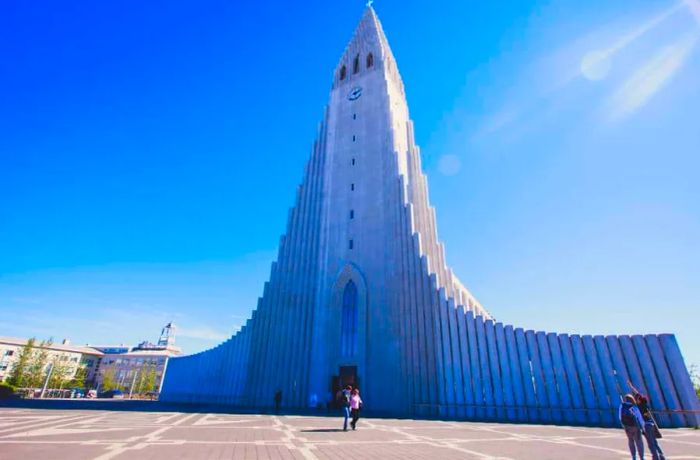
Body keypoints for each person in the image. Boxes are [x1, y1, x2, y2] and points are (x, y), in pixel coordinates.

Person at [631, 385, 665, 460]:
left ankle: (655, 457)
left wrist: (643, 429)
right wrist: (631, 386)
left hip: (646, 425)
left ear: (639, 400)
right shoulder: (645, 405)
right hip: (651, 424)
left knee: (651, 444)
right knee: (655, 442)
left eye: (636, 399)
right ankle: (661, 456)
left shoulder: (639, 407)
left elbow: (639, 418)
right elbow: (638, 394)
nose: (635, 400)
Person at [619, 393, 646, 460]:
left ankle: (633, 457)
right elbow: (639, 417)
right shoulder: (634, 407)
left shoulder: (622, 406)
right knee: (639, 442)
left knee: (631, 441)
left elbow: (620, 416)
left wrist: (623, 425)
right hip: (635, 426)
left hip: (626, 426)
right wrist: (643, 427)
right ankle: (641, 457)